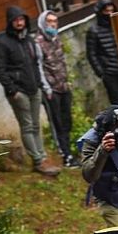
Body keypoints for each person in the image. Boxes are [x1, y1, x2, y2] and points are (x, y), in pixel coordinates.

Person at [0, 6, 60, 177]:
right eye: (16, 20)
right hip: (18, 92)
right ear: (10, 22)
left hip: (34, 89)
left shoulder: (29, 40)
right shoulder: (2, 42)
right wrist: (12, 90)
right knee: (28, 125)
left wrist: (39, 84)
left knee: (36, 124)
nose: (19, 22)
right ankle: (38, 160)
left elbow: (35, 64)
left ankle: (42, 157)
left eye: (21, 19)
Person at [36, 10, 78, 167]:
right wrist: (46, 88)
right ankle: (64, 154)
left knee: (67, 120)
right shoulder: (38, 43)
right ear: (43, 23)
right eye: (49, 22)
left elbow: (62, 62)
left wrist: (67, 81)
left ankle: (69, 151)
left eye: (55, 21)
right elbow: (39, 67)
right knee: (57, 122)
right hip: (51, 90)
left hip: (64, 86)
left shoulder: (56, 39)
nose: (53, 24)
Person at [86, 0, 118, 108]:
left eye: (111, 11)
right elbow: (91, 54)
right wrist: (101, 73)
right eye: (106, 11)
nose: (109, 14)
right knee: (117, 102)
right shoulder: (94, 31)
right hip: (109, 73)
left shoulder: (117, 27)